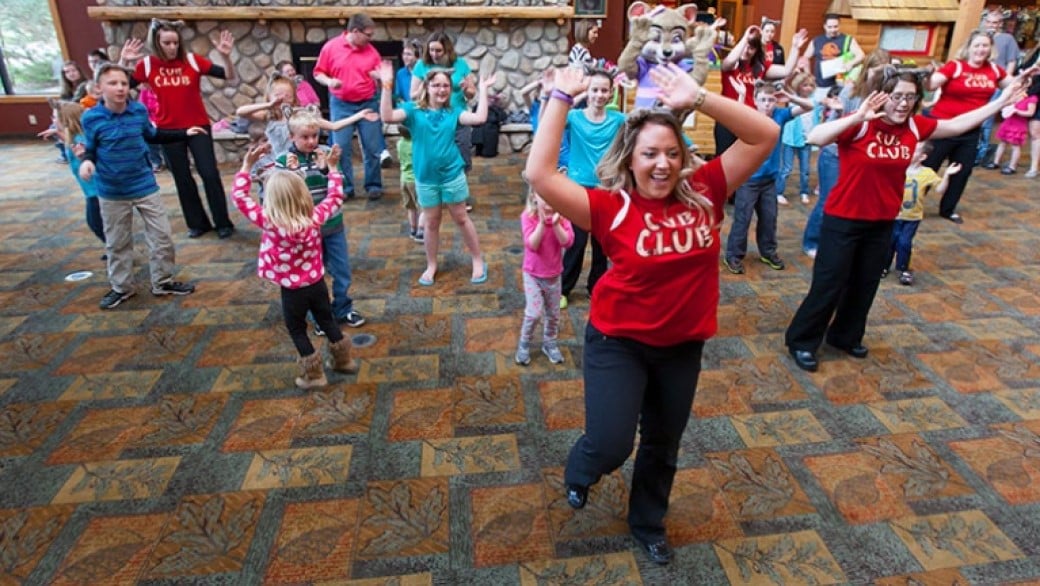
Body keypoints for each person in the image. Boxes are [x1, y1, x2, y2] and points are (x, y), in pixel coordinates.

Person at [525, 64, 778, 566]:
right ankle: (582, 469)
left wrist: (699, 98)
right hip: (619, 340)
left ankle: (647, 521)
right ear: (630, 160)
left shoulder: (706, 189)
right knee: (611, 442)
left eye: (671, 153)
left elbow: (765, 133)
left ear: (684, 157)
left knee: (663, 443)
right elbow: (539, 174)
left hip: (683, 344)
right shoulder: (609, 207)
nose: (662, 164)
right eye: (650, 154)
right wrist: (559, 96)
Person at [785, 69, 1028, 373]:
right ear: (884, 96)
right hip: (843, 219)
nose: (903, 104)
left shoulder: (914, 125)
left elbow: (955, 126)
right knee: (829, 283)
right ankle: (802, 341)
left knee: (865, 284)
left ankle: (844, 337)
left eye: (910, 97)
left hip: (883, 220)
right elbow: (815, 136)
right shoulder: (862, 125)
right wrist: (858, 116)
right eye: (897, 96)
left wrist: (1002, 99)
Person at [233, 143, 359, 389]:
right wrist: (332, 169)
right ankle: (343, 360)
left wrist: (246, 167)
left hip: (292, 290)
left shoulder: (269, 222)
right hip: (317, 284)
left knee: (297, 329)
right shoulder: (315, 219)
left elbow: (240, 198)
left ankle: (314, 375)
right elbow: (335, 197)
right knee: (328, 320)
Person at [78, 63, 199, 310]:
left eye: (123, 83)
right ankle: (121, 287)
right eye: (113, 83)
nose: (120, 88)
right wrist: (87, 162)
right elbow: (89, 148)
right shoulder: (91, 118)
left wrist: (184, 132)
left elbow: (153, 135)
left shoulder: (138, 111)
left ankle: (163, 281)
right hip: (112, 190)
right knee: (117, 242)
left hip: (144, 185)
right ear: (100, 88)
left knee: (162, 235)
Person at [380, 62, 494, 286]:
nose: (442, 90)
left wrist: (483, 88)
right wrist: (386, 85)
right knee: (431, 223)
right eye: (436, 85)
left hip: (452, 174)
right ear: (427, 87)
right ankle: (431, 265)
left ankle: (478, 260)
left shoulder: (454, 112)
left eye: (446, 86)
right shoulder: (413, 111)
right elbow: (387, 116)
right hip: (426, 178)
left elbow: (480, 119)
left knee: (461, 217)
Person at [129, 19, 238, 239]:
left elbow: (229, 77)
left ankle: (223, 222)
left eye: (175, 43)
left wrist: (225, 56)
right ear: (157, 43)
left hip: (198, 126)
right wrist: (125, 61)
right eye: (167, 43)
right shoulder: (147, 65)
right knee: (182, 177)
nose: (172, 48)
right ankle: (197, 223)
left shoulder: (192, 60)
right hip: (168, 130)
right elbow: (122, 85)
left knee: (209, 173)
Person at [275, 110, 368, 329]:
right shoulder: (283, 161)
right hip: (304, 232)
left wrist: (327, 168)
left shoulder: (325, 153)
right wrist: (292, 172)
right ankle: (321, 316)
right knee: (313, 277)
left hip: (333, 226)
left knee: (341, 270)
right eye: (305, 137)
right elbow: (284, 193)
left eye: (315, 136)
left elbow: (340, 185)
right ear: (292, 137)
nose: (311, 141)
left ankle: (343, 308)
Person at [923, 30, 1028, 224]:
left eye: (985, 46)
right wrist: (927, 76)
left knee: (962, 172)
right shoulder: (955, 67)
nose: (981, 49)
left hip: (971, 129)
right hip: (943, 126)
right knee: (929, 167)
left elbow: (1014, 86)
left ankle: (948, 209)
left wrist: (1028, 76)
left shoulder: (995, 70)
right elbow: (930, 86)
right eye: (977, 45)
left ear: (990, 49)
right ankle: (914, 205)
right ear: (969, 48)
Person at [724, 81, 810, 274]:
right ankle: (734, 255)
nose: (767, 104)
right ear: (755, 101)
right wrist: (741, 95)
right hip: (748, 180)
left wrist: (790, 96)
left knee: (769, 219)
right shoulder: (751, 117)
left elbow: (809, 106)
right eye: (763, 100)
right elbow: (736, 116)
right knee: (742, 219)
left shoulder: (780, 115)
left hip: (769, 181)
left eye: (771, 100)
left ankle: (768, 252)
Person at [559, 69, 625, 309]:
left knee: (601, 244)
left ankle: (596, 288)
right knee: (576, 243)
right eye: (594, 89)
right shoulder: (574, 117)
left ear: (610, 94)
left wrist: (688, 145)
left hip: (606, 189)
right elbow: (548, 120)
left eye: (603, 90)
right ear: (587, 91)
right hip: (579, 190)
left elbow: (648, 125)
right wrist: (566, 96)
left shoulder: (618, 120)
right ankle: (564, 288)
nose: (598, 94)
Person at [312, 13, 389, 201]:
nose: (371, 39)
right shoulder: (331, 48)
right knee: (341, 147)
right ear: (355, 31)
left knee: (372, 147)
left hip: (368, 102)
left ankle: (373, 185)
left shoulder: (371, 51)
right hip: (341, 105)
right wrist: (329, 81)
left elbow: (381, 74)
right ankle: (345, 187)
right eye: (368, 35)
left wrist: (380, 76)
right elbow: (317, 73)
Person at [235, 73, 379, 158]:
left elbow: (334, 126)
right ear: (270, 96)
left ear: (294, 97)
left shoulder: (301, 115)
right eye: (278, 95)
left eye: (287, 96)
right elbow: (241, 111)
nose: (282, 99)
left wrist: (359, 115)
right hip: (277, 164)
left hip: (300, 163)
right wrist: (268, 105)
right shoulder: (268, 116)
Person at [717, 24, 805, 154]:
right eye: (745, 46)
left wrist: (795, 48)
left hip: (749, 119)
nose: (746, 50)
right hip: (728, 118)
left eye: (751, 48)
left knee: (745, 158)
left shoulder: (760, 68)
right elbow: (729, 61)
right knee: (723, 157)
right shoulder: (731, 66)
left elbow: (786, 71)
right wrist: (746, 37)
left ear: (756, 51)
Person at [516, 184, 574, 366]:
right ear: (534, 196)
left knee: (554, 314)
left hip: (554, 275)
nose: (549, 205)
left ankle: (549, 343)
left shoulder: (563, 218)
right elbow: (531, 244)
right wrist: (542, 224)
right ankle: (524, 344)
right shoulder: (528, 217)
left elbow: (568, 242)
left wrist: (556, 225)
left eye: (552, 199)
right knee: (533, 314)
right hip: (532, 275)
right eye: (544, 198)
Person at [888, 143, 961, 286]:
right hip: (893, 215)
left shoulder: (927, 173)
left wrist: (946, 175)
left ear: (923, 156)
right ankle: (883, 266)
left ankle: (903, 269)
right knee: (890, 241)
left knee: (904, 242)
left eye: (913, 151)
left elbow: (940, 189)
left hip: (912, 216)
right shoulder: (896, 167)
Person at [410, 32, 478, 184]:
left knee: (463, 153)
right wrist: (426, 83)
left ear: (447, 50)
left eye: (438, 50)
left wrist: (467, 88)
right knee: (434, 157)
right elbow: (413, 95)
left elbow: (471, 94)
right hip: (432, 119)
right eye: (431, 50)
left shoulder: (460, 64)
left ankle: (460, 192)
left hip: (458, 117)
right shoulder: (421, 65)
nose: (434, 54)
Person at [54, 99, 105, 251]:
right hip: (91, 190)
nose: (53, 120)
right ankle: (115, 249)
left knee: (96, 223)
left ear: (65, 120)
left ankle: (117, 250)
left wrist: (83, 157)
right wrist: (58, 133)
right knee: (99, 223)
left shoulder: (80, 141)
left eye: (54, 118)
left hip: (96, 190)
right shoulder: (74, 136)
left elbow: (89, 159)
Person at [977, 9, 1022, 164]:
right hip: (978, 82)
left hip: (995, 84)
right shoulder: (979, 37)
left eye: (995, 23)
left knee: (987, 119)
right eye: (989, 22)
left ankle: (981, 153)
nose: (991, 25)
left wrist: (1006, 82)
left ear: (1000, 24)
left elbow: (1011, 61)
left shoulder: (1007, 39)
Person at [800, 14, 865, 101]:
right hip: (819, 85)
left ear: (839, 25)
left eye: (835, 26)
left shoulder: (848, 40)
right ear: (824, 26)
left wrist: (850, 63)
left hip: (838, 85)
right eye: (830, 27)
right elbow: (805, 58)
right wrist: (808, 76)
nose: (833, 30)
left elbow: (861, 55)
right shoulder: (816, 40)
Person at [776, 71, 818, 206]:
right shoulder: (792, 97)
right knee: (786, 168)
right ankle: (778, 192)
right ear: (799, 86)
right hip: (790, 139)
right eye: (805, 85)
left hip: (806, 140)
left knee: (805, 169)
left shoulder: (815, 101)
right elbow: (786, 84)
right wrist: (793, 73)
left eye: (811, 85)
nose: (808, 88)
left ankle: (804, 192)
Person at [983, 92, 1037, 174]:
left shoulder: (1031, 98)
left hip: (1018, 125)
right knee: (1002, 143)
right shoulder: (1016, 95)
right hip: (1008, 123)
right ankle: (995, 162)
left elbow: (1030, 113)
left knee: (1015, 146)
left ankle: (1012, 167)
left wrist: (1016, 111)